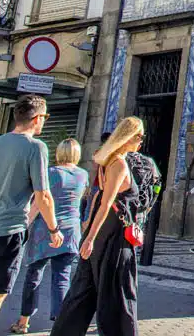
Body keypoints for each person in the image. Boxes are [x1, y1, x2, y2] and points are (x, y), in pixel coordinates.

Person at [51, 116, 160, 336]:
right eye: (139, 137)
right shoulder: (119, 164)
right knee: (120, 295)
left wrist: (88, 228)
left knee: (83, 293)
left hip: (101, 235)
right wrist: (89, 237)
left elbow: (98, 198)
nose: (141, 141)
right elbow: (106, 203)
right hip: (114, 240)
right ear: (128, 137)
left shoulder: (106, 162)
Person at [0, 96, 61, 336]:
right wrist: (53, 229)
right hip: (8, 230)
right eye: (45, 118)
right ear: (38, 118)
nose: (44, 123)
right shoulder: (35, 147)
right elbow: (44, 196)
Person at [11, 139, 90, 334]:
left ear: (58, 153)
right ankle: (60, 323)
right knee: (62, 277)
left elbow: (39, 203)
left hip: (44, 231)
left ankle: (23, 321)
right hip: (71, 232)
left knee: (34, 276)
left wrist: (24, 225)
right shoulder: (83, 175)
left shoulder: (50, 173)